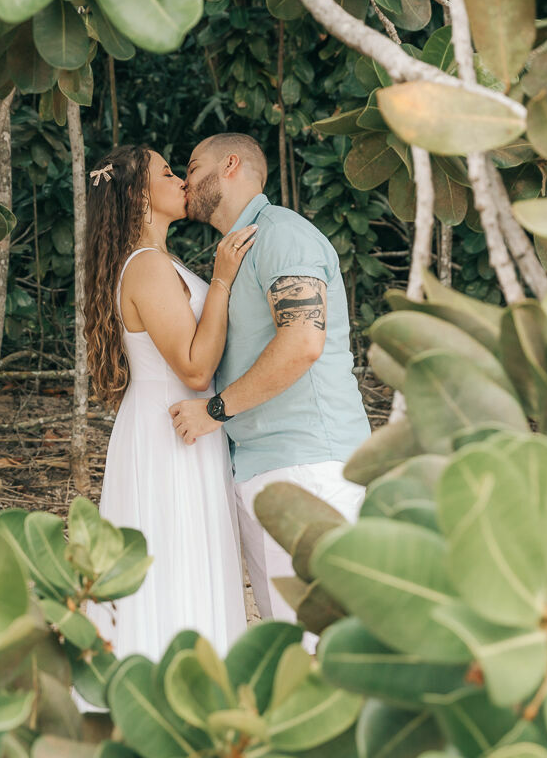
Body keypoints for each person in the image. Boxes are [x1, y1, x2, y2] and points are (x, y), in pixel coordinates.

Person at [168, 133, 371, 633]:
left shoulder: (282, 235)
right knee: (290, 637)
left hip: (307, 465)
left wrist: (213, 411)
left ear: (230, 165)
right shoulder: (240, 247)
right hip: (265, 465)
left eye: (192, 167)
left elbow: (302, 342)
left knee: (319, 640)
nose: (185, 181)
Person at [83, 143, 258, 661]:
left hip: (186, 429)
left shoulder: (159, 261)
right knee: (172, 557)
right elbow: (194, 367)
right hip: (171, 435)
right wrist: (222, 277)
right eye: (168, 173)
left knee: (189, 557)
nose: (183, 182)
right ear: (139, 194)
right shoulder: (147, 267)